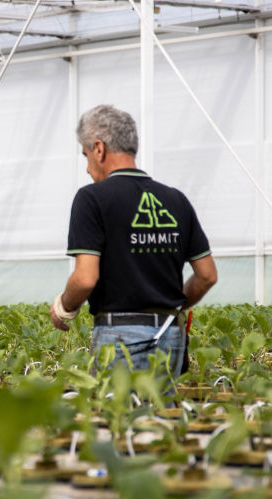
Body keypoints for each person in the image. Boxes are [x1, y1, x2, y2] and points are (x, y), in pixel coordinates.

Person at [50, 105, 217, 377]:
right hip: (170, 335)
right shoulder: (176, 200)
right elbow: (207, 275)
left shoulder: (91, 199)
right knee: (160, 417)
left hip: (120, 336)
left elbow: (84, 279)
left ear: (99, 149)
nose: (88, 170)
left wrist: (64, 308)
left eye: (86, 156)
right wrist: (167, 304)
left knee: (117, 417)